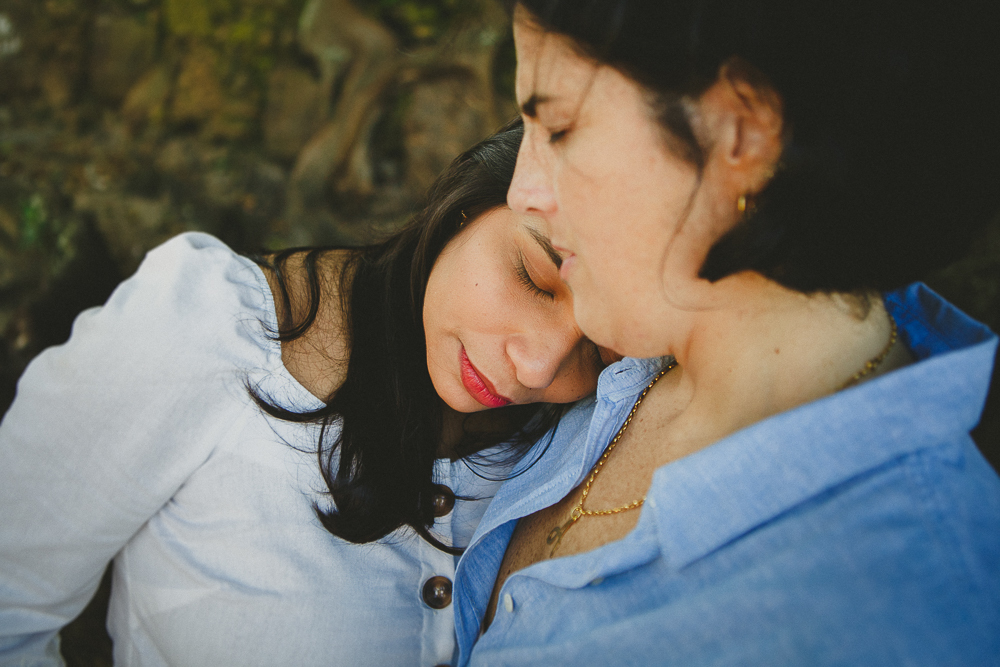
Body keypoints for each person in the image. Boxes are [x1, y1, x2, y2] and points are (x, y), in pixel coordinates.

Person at [452, 2, 1000, 665]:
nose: (521, 191)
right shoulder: (628, 356)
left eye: (561, 126)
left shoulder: (910, 611)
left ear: (741, 131)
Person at [0, 120, 609, 666]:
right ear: (467, 207)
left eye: (598, 347)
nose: (536, 367)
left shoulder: (596, 433)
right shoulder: (204, 325)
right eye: (534, 278)